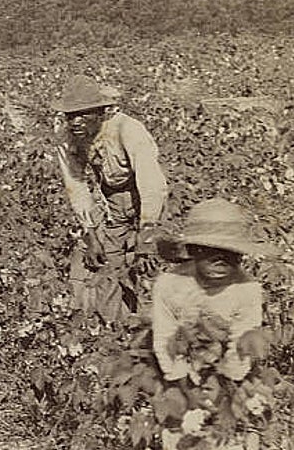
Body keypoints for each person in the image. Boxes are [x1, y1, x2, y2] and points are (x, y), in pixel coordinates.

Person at [53, 74, 168, 320]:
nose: (76, 121)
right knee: (99, 268)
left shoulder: (128, 129)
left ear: (101, 112)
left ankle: (155, 330)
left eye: (83, 114)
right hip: (114, 207)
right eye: (70, 115)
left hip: (149, 205)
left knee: (148, 270)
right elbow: (77, 187)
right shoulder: (68, 140)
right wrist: (91, 234)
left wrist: (146, 233)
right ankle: (116, 328)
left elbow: (150, 183)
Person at [152, 198, 272, 383]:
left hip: (227, 368)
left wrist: (225, 387)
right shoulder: (170, 285)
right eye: (209, 251)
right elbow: (165, 337)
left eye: (230, 253)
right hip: (181, 362)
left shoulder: (247, 289)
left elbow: (240, 349)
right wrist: (180, 382)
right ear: (192, 251)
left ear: (241, 255)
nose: (220, 261)